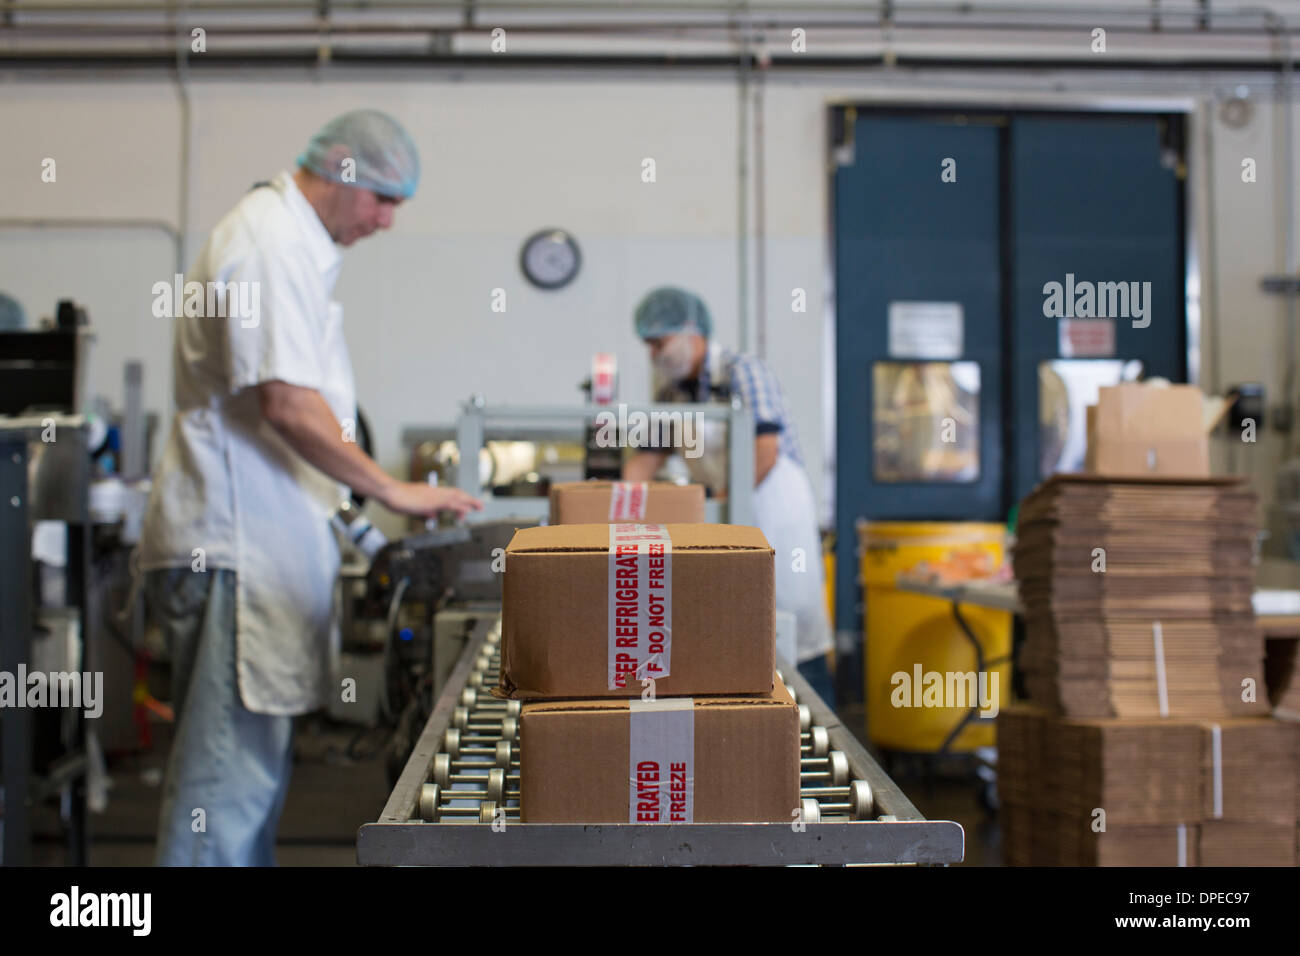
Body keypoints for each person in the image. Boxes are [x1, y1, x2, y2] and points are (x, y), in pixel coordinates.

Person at [139, 110, 481, 866]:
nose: (388, 221)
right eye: (384, 200)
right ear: (343, 174)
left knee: (244, 783)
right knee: (221, 791)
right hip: (233, 551)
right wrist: (395, 491)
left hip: (256, 550)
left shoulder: (291, 247)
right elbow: (288, 407)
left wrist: (355, 522)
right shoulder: (268, 244)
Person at [622, 286, 835, 704]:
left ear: (689, 332)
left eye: (658, 343)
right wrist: (616, 508)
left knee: (793, 643)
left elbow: (765, 451)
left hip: (773, 520)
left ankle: (820, 750)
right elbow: (644, 460)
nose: (653, 355)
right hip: (724, 521)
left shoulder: (742, 373)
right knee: (737, 638)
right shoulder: (672, 394)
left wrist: (712, 507)